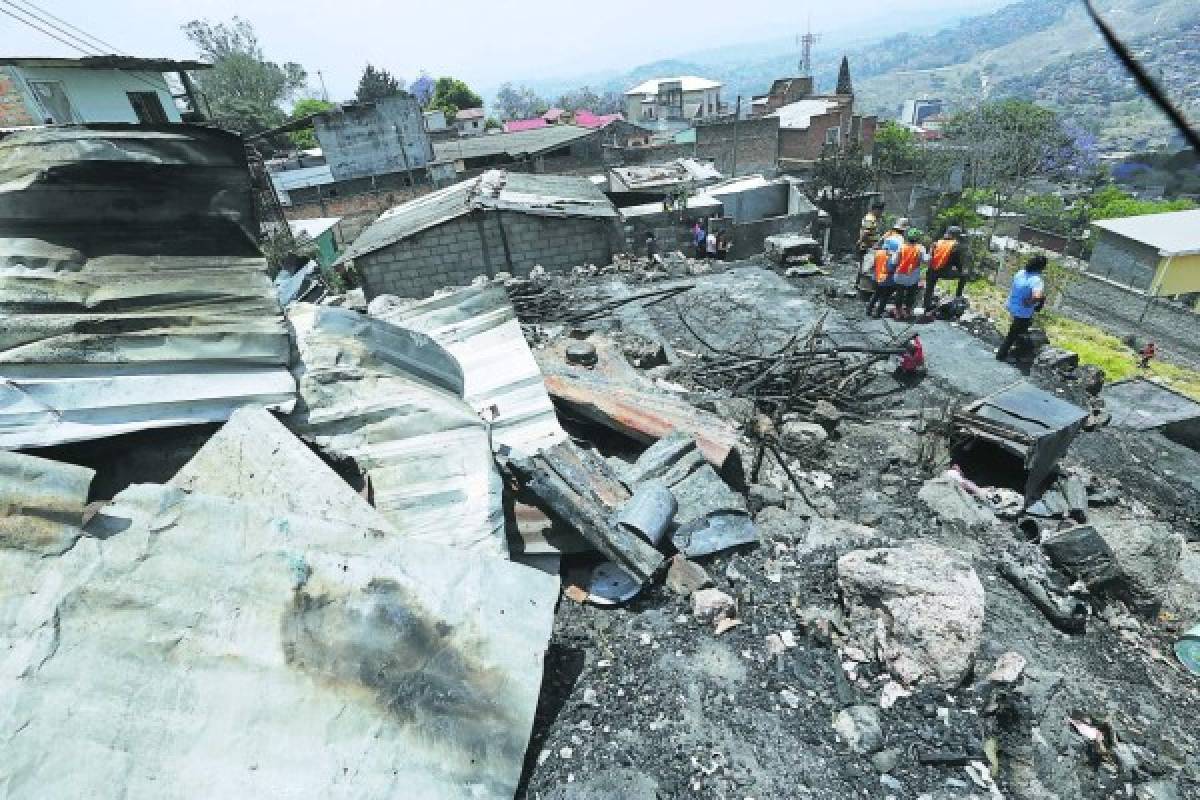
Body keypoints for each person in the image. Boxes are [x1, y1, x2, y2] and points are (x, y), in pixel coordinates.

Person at [996, 255, 1048, 361]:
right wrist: (1030, 302)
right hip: (1023, 310)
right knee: (1014, 332)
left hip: (1012, 304)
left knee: (1020, 330)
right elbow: (1037, 296)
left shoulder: (1021, 273)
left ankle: (1016, 350)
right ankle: (1002, 354)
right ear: (1041, 267)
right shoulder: (1037, 280)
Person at [866, 218, 909, 318]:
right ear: (903, 230)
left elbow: (877, 245)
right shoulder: (901, 240)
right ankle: (878, 313)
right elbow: (899, 256)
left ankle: (868, 310)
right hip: (888, 263)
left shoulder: (888, 234)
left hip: (880, 258)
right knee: (886, 294)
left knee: (877, 292)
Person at [922, 226, 967, 316]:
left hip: (931, 271)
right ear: (955, 235)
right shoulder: (955, 245)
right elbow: (957, 262)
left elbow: (930, 257)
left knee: (929, 288)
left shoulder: (936, 243)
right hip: (944, 271)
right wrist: (960, 270)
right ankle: (958, 297)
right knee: (964, 275)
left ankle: (926, 305)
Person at [892, 228, 929, 321]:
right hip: (912, 276)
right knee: (911, 294)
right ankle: (907, 312)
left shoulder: (902, 247)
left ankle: (898, 312)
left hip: (900, 275)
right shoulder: (920, 248)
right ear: (917, 238)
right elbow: (926, 260)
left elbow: (894, 261)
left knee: (899, 294)